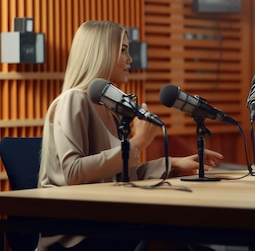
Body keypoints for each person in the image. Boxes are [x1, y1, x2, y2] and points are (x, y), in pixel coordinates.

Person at [38, 20, 224, 251]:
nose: (130, 59)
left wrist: (174, 163)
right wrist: (138, 143)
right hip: (76, 231)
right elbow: (74, 173)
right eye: (123, 50)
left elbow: (122, 174)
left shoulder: (111, 107)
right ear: (101, 52)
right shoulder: (73, 100)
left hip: (106, 219)